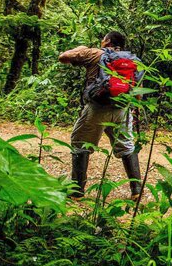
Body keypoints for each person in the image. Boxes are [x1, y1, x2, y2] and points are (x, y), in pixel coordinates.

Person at [59, 31, 143, 200]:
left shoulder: (94, 53)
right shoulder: (132, 61)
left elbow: (63, 57)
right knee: (126, 146)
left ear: (107, 42)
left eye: (103, 39)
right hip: (122, 109)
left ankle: (76, 191)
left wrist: (82, 48)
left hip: (96, 109)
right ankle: (136, 190)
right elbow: (138, 92)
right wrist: (134, 110)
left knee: (80, 144)